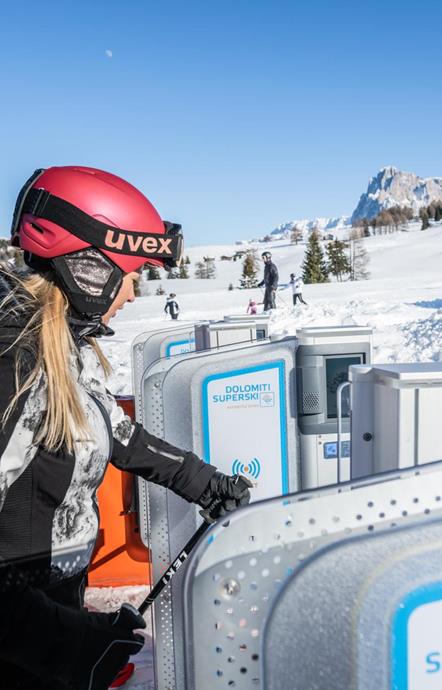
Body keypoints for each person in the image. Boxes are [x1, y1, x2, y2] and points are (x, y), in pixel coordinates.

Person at [0, 166, 252, 690]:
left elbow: (117, 434)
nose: (134, 292)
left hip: (53, 608)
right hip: (20, 638)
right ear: (89, 268)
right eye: (131, 273)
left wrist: (204, 482)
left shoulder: (63, 346)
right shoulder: (15, 366)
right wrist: (67, 646)